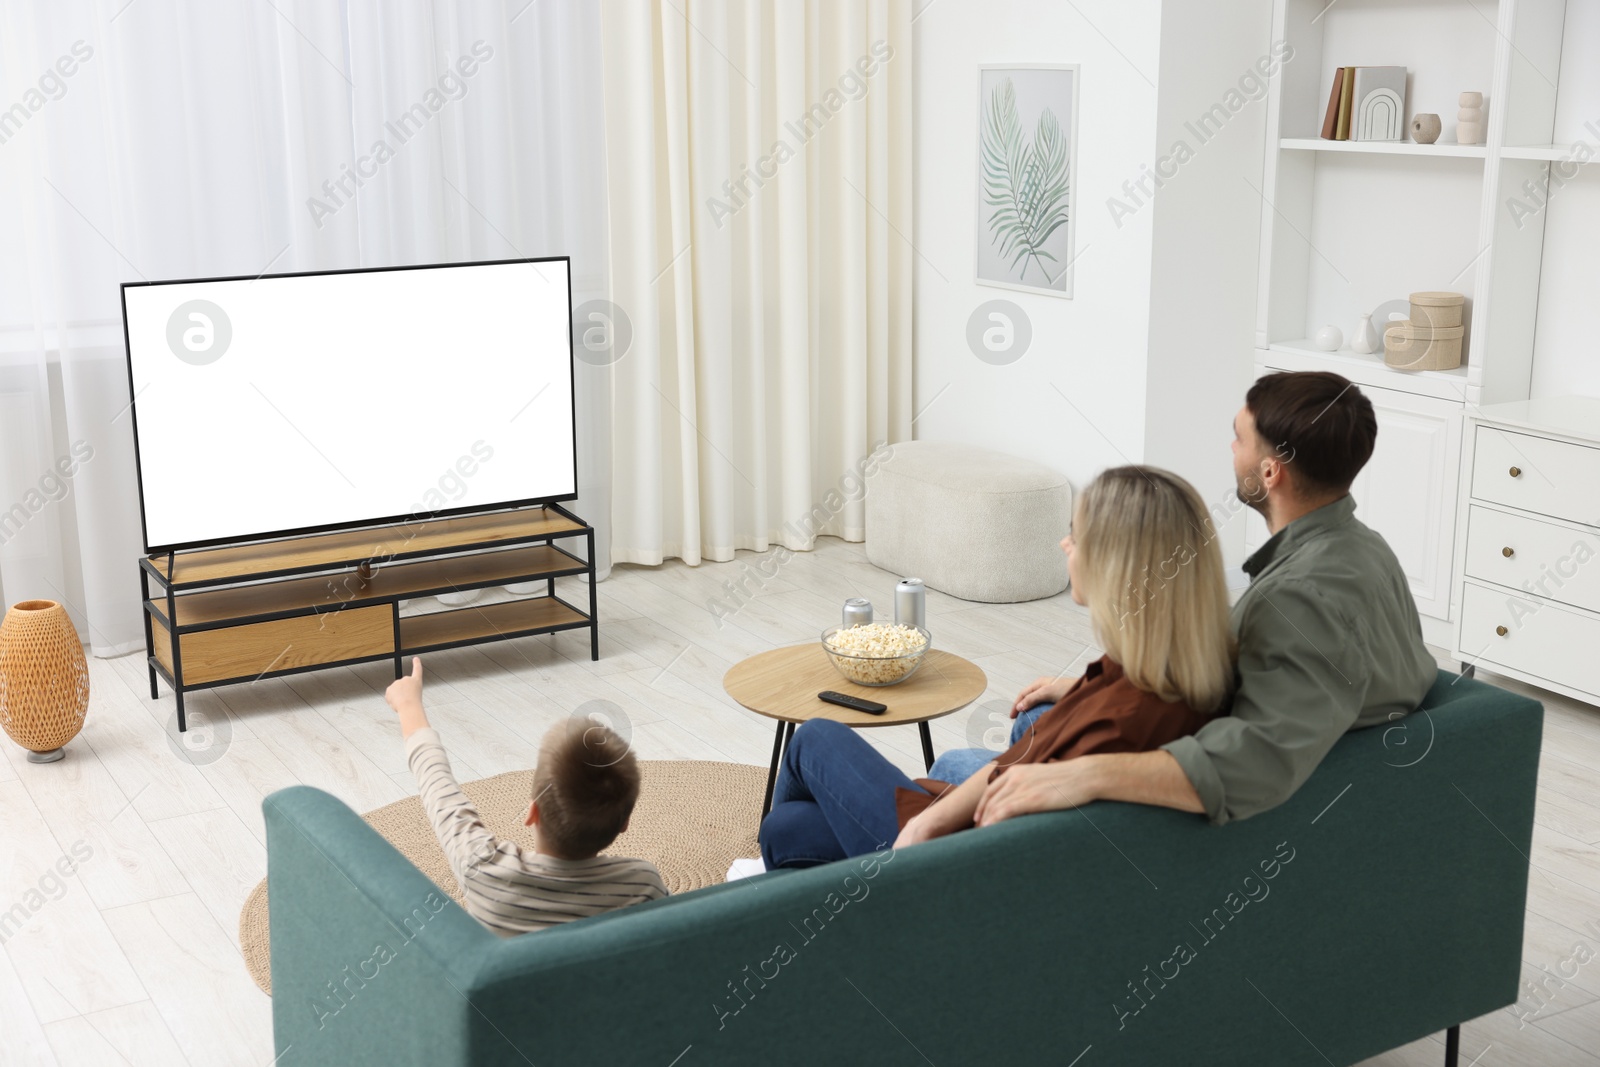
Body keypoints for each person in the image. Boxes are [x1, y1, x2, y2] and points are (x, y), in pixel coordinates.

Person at [938, 371, 1437, 829]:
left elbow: (1256, 760)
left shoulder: (1297, 599)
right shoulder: (1364, 549)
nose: (1230, 447)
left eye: (1239, 438)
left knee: (954, 766)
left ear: (1269, 473)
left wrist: (1083, 775)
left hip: (1212, 802)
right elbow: (1296, 684)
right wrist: (1083, 690)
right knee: (1032, 719)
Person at [757, 465, 1236, 867]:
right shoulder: (1166, 682)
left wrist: (926, 824)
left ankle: (776, 911)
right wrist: (1075, 690)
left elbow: (1014, 802)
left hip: (950, 864)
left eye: (1076, 535)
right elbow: (1021, 768)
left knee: (815, 738)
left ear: (1115, 567)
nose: (1065, 545)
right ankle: (787, 890)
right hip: (963, 831)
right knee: (785, 830)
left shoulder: (1120, 721)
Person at [385, 657, 667, 935]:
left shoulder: (485, 870)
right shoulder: (643, 885)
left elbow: (440, 792)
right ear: (625, 823)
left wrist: (408, 705)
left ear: (532, 812)